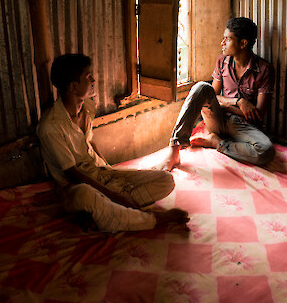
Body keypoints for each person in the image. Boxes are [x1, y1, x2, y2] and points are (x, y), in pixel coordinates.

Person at [37, 54, 189, 232]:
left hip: (103, 176)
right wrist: (115, 195)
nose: (93, 79)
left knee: (166, 180)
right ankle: (152, 219)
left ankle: (105, 212)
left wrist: (110, 171)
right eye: (87, 76)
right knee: (87, 195)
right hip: (75, 188)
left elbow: (90, 142)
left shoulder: (86, 108)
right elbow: (72, 173)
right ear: (73, 87)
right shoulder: (50, 126)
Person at [158, 17, 276, 171]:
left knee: (266, 151)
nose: (222, 43)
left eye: (228, 39)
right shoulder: (222, 61)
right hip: (217, 119)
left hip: (243, 126)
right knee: (201, 87)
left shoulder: (264, 70)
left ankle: (216, 142)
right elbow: (211, 95)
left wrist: (222, 103)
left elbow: (257, 114)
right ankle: (174, 150)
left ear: (243, 43)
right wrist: (238, 102)